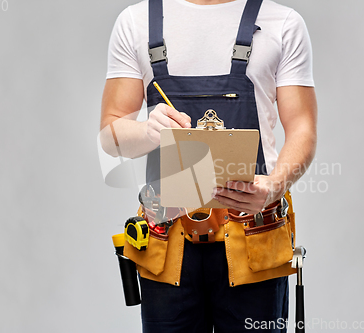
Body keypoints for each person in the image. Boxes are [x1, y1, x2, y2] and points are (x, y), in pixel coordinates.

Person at [99, 0, 317, 331]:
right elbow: (110, 133)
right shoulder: (135, 22)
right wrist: (147, 131)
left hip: (252, 238)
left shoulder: (283, 23)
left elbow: (303, 128)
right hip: (167, 239)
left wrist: (275, 186)